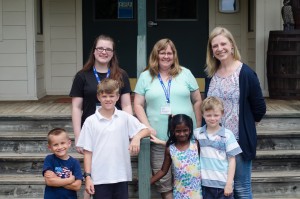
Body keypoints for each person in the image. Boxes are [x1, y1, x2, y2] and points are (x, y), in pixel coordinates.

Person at [134, 38, 202, 199]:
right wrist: (147, 127)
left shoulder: (186, 73)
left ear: (174, 55)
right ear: (156, 55)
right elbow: (137, 104)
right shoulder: (145, 76)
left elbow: (197, 100)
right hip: (158, 140)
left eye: (169, 53)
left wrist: (198, 128)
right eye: (162, 52)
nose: (166, 56)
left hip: (186, 140)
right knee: (164, 182)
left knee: (187, 178)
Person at [204, 27, 266, 198]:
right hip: (214, 143)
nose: (219, 48)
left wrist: (246, 124)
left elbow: (260, 108)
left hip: (238, 142)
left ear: (232, 45)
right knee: (220, 187)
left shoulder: (245, 73)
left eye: (223, 43)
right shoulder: (211, 75)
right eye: (215, 46)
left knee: (241, 188)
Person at [77, 78, 150, 199]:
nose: (108, 99)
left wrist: (136, 137)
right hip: (100, 177)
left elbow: (146, 130)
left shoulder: (124, 117)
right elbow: (88, 153)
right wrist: (88, 177)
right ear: (98, 97)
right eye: (104, 96)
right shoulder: (90, 121)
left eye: (111, 96)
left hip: (121, 176)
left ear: (117, 97)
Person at [69, 34, 132, 155]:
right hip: (92, 130)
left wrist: (128, 130)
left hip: (116, 129)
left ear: (113, 53)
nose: (104, 52)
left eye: (108, 49)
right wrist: (78, 136)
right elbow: (76, 108)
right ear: (94, 51)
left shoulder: (121, 75)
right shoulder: (82, 76)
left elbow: (126, 105)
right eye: (100, 48)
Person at [194, 96, 242, 199]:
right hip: (204, 184)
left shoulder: (227, 135)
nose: (212, 118)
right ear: (202, 115)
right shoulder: (198, 133)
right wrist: (161, 142)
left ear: (222, 114)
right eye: (208, 115)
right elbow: (181, 143)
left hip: (223, 184)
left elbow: (232, 161)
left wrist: (229, 184)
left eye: (216, 115)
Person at [151, 114, 202, 199]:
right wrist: (149, 181)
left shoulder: (196, 145)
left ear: (190, 130)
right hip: (180, 193)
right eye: (178, 131)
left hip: (196, 193)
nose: (182, 134)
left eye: (185, 130)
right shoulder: (170, 149)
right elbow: (163, 171)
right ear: (173, 131)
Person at [43, 128, 83, 199]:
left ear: (69, 143)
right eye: (55, 145)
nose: (60, 147)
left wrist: (56, 179)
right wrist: (69, 180)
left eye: (62, 143)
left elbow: (77, 186)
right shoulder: (49, 159)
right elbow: (49, 181)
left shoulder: (75, 162)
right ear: (50, 147)